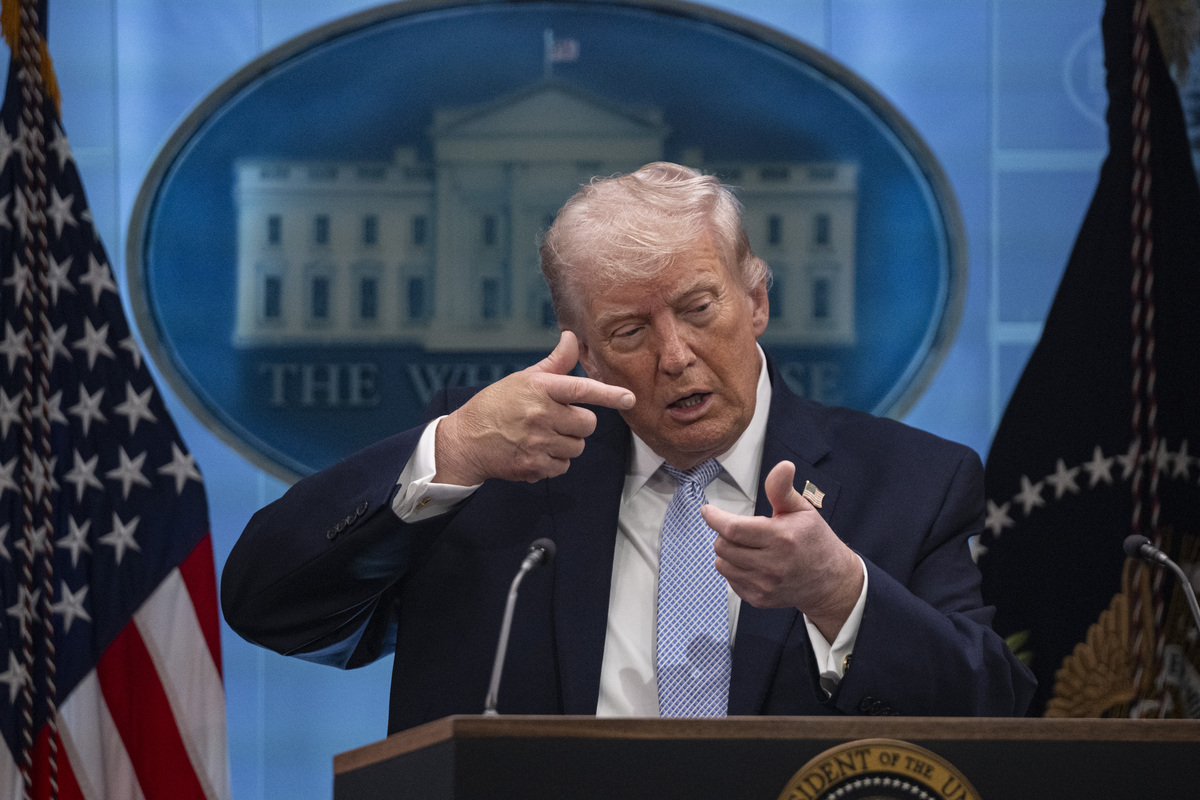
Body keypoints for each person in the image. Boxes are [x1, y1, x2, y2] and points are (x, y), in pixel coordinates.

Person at [221, 162, 1036, 733]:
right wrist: (456, 446)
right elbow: (269, 606)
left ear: (755, 300)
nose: (675, 355)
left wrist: (839, 593)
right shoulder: (496, 469)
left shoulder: (912, 482)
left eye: (699, 308)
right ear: (581, 345)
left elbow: (996, 714)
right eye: (629, 331)